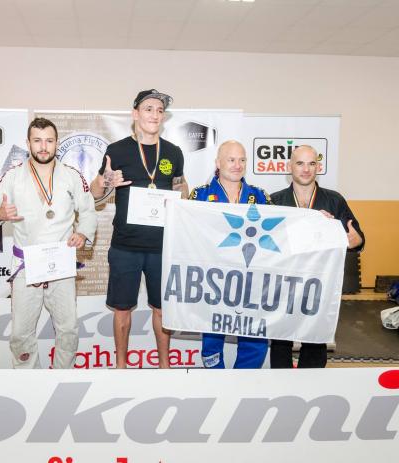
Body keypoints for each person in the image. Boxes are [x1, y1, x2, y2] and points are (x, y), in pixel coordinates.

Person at [0, 117, 97, 369]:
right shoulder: (12, 176)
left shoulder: (72, 175)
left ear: (57, 142)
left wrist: (82, 233)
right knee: (20, 332)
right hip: (26, 264)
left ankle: (62, 375)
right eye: (37, 141)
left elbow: (88, 211)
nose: (43, 147)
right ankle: (30, 379)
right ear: (28, 143)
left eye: (49, 141)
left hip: (61, 262)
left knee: (68, 328)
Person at [90, 89, 188, 368]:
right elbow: (95, 195)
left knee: (162, 309)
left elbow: (182, 187)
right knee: (122, 310)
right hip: (125, 246)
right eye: (148, 109)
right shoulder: (117, 150)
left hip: (162, 246)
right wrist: (105, 181)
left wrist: (180, 197)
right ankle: (121, 367)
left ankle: (164, 367)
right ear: (135, 114)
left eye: (159, 110)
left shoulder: (173, 152)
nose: (155, 115)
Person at [269, 144, 365, 369]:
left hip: (320, 282)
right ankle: (279, 382)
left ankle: (312, 382)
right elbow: (266, 244)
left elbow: (358, 239)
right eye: (300, 163)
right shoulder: (274, 201)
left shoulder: (334, 200)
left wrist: (352, 239)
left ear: (318, 167)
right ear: (289, 167)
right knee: (281, 338)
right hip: (284, 282)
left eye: (311, 163)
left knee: (315, 339)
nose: (306, 169)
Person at [189, 140, 271, 368]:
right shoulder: (200, 195)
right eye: (231, 159)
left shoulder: (260, 196)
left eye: (242, 160)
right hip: (213, 277)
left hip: (251, 277)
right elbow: (187, 232)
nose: (237, 165)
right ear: (218, 163)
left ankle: (244, 379)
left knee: (253, 334)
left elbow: (278, 233)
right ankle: (217, 379)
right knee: (212, 333)